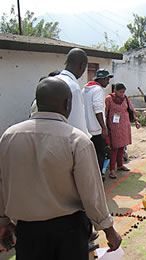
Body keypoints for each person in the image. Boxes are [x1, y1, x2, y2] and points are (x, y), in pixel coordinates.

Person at [0, 77, 122, 259]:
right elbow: (91, 192)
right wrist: (108, 228)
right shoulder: (76, 140)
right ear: (67, 103)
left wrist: (3, 221)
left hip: (27, 230)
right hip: (68, 230)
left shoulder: (9, 136)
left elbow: (2, 182)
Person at [105, 83, 140, 179]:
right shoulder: (109, 99)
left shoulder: (125, 99)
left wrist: (136, 121)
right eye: (120, 92)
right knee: (114, 147)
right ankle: (112, 169)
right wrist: (105, 127)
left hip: (124, 125)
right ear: (115, 90)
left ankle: (120, 165)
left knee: (122, 146)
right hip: (114, 126)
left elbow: (131, 110)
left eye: (123, 92)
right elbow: (105, 112)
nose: (122, 94)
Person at [83, 68, 113, 174]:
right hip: (96, 130)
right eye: (107, 79)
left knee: (90, 157)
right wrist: (103, 128)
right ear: (102, 79)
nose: (108, 82)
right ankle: (98, 179)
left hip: (86, 129)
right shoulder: (98, 90)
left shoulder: (85, 89)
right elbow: (98, 110)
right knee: (99, 156)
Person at [56, 48, 90, 137]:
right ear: (82, 66)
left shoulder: (52, 81)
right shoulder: (73, 87)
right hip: (66, 140)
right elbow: (78, 125)